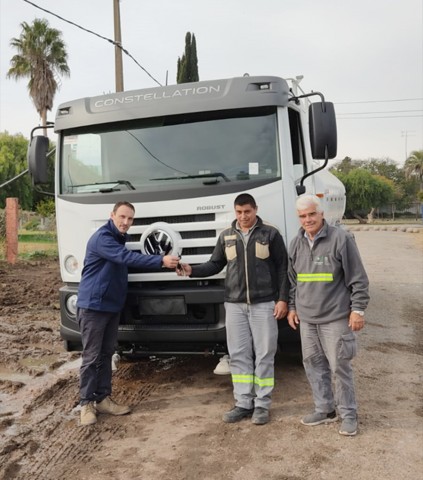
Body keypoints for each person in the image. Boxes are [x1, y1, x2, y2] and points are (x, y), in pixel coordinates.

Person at [177, 193, 289, 425]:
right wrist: (191, 270)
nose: (243, 216)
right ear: (235, 211)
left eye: (247, 211)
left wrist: (282, 299)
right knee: (238, 355)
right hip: (235, 305)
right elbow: (215, 264)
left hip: (263, 304)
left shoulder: (270, 234)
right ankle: (243, 403)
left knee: (265, 354)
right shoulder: (227, 236)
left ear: (255, 210)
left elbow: (282, 268)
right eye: (239, 212)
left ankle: (262, 405)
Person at [77, 201, 180, 426]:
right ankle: (85, 404)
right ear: (112, 215)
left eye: (130, 219)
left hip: (111, 306)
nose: (126, 222)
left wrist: (166, 264)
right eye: (122, 217)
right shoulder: (103, 238)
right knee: (91, 357)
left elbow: (127, 262)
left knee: (106, 354)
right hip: (94, 306)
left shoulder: (118, 239)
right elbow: (126, 259)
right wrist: (160, 260)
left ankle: (102, 399)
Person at [287, 194, 369, 436]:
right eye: (302, 216)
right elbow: (294, 282)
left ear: (322, 213)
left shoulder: (341, 239)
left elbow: (359, 279)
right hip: (307, 319)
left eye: (312, 214)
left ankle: (348, 414)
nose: (308, 219)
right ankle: (325, 409)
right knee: (313, 365)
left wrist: (357, 310)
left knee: (340, 367)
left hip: (335, 318)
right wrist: (292, 307)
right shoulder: (296, 243)